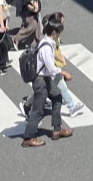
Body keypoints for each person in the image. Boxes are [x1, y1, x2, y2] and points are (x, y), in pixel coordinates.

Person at [21, 19, 73, 148]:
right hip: (41, 81)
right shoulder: (46, 46)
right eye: (59, 32)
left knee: (57, 97)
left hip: (46, 79)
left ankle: (56, 129)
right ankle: (28, 137)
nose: (60, 35)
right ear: (54, 32)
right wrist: (64, 73)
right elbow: (51, 68)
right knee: (38, 110)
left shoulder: (47, 41)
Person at [42, 12, 85, 116]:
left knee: (45, 89)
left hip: (51, 67)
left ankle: (28, 104)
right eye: (61, 22)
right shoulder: (50, 38)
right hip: (51, 67)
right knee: (60, 86)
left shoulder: (52, 35)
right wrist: (62, 62)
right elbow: (52, 54)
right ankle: (71, 107)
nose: (63, 25)